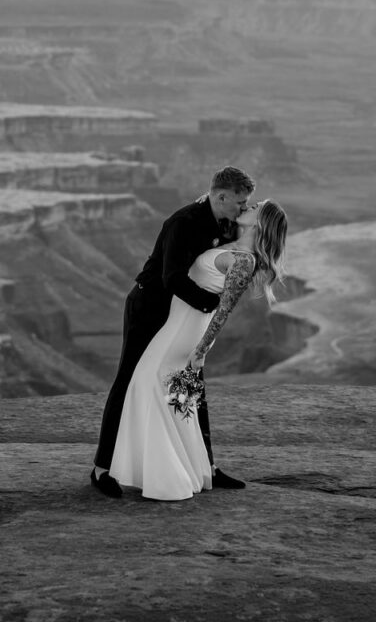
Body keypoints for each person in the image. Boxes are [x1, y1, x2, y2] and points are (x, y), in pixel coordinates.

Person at [91, 165, 256, 498]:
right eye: (240, 202)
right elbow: (173, 278)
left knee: (191, 382)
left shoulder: (225, 221)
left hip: (183, 315)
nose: (243, 208)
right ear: (221, 196)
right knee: (128, 378)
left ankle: (203, 464)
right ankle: (102, 468)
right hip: (150, 308)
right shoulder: (184, 223)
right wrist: (214, 304)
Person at [109, 199, 287, 501]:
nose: (248, 205)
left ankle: (167, 477)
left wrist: (201, 350)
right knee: (175, 396)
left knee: (153, 384)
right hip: (176, 323)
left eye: (255, 205)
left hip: (189, 332)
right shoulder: (230, 242)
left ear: (260, 223)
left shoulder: (244, 260)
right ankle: (194, 469)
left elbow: (224, 311)